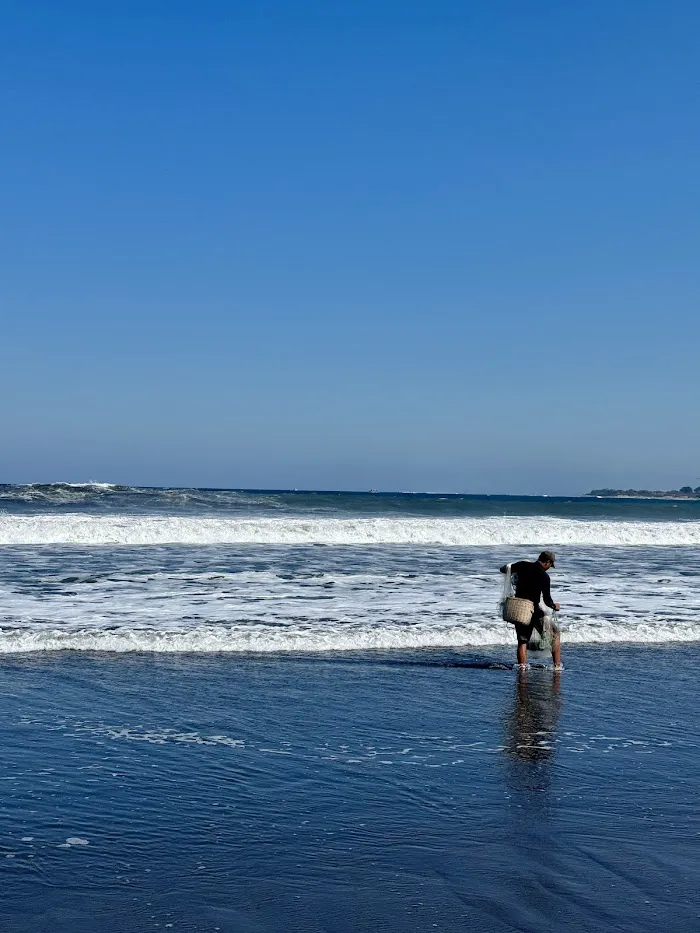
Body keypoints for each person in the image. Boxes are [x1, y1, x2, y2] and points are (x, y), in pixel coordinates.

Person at [500, 550, 562, 669]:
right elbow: (547, 600)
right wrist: (555, 606)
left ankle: (522, 667)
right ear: (547, 562)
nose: (549, 568)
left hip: (519, 609)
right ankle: (557, 666)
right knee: (555, 634)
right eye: (550, 565)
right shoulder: (544, 576)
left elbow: (504, 569)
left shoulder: (523, 565)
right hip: (533, 610)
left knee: (522, 640)